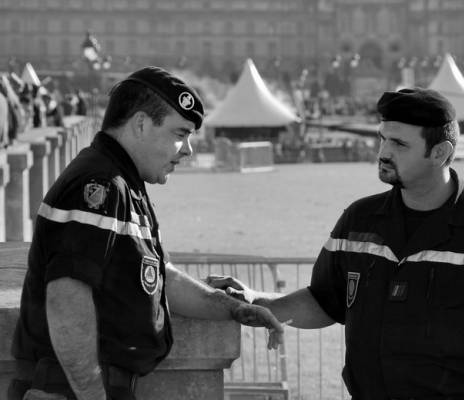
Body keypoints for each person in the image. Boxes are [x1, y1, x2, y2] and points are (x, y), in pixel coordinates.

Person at [207, 88, 464, 400]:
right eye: (382, 138)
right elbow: (325, 301)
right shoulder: (358, 220)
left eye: (399, 144)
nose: (383, 152)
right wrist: (257, 301)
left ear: (440, 153)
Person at [8, 66, 284, 400]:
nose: (187, 149)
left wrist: (233, 308)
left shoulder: (123, 183)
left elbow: (162, 278)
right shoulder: (99, 186)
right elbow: (66, 299)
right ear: (140, 124)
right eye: (180, 133)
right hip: (69, 389)